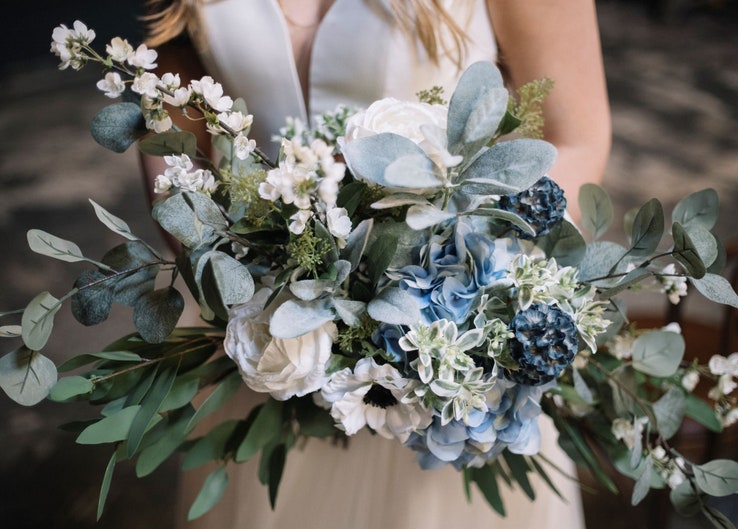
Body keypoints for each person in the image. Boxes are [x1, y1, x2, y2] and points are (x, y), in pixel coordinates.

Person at [140, 1, 611, 527]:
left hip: (447, 353)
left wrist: (467, 306)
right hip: (270, 345)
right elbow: (174, 143)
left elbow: (576, 139)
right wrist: (244, 273)